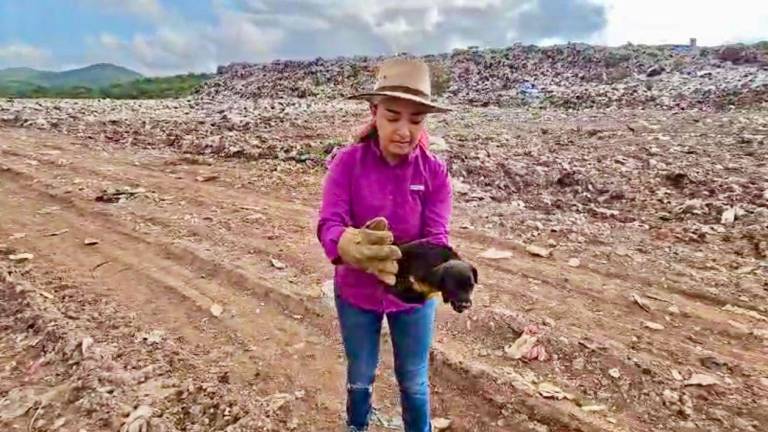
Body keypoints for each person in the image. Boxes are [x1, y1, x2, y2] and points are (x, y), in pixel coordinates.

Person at [316, 57, 453, 432]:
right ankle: (356, 426)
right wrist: (346, 244)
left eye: (416, 119)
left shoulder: (435, 174)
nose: (404, 131)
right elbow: (329, 223)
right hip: (356, 294)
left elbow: (437, 238)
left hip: (412, 298)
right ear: (374, 111)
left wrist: (439, 269)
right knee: (360, 374)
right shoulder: (347, 164)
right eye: (393, 117)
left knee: (414, 380)